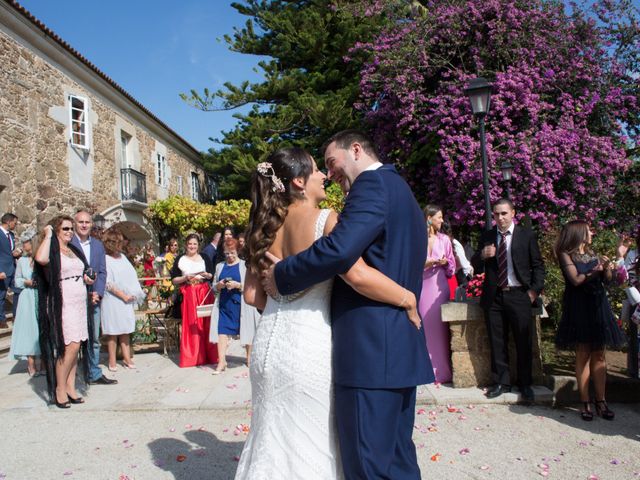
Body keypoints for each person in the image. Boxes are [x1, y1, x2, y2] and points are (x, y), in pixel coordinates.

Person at [244, 137, 430, 480]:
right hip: (323, 344)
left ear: (356, 149)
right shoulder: (392, 192)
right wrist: (407, 297)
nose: (327, 175)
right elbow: (356, 271)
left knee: (277, 439)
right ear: (298, 181)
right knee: (381, 456)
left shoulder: (263, 228)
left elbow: (253, 298)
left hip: (277, 342)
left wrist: (281, 277)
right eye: (320, 168)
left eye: (329, 163)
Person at [471, 199, 545, 403]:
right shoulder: (487, 236)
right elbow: (475, 266)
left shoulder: (526, 235)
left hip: (519, 295)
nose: (500, 218)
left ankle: (525, 384)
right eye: (496, 214)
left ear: (513, 213)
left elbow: (538, 266)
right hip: (494, 296)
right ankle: (502, 383)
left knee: (523, 341)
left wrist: (533, 292)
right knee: (497, 342)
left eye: (504, 213)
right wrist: (483, 255)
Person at [555, 220, 625, 420]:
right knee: (583, 353)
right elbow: (576, 279)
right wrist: (596, 270)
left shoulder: (593, 254)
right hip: (579, 308)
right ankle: (585, 401)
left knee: (600, 355)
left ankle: (601, 400)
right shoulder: (565, 254)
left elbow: (608, 280)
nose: (592, 233)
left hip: (598, 307)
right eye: (589, 230)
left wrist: (608, 267)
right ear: (579, 233)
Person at [35, 215, 95, 408]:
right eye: (65, 229)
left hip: (78, 301)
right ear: (56, 231)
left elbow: (82, 270)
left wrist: (87, 279)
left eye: (71, 229)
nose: (70, 232)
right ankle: (59, 388)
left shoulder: (73, 250)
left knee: (77, 345)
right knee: (70, 345)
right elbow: (40, 259)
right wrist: (48, 234)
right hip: (64, 302)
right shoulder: (52, 250)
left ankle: (70, 387)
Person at [71, 209, 116, 386]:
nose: (84, 225)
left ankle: (93, 372)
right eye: (80, 222)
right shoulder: (68, 243)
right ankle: (71, 373)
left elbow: (102, 272)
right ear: (75, 224)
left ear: (91, 224)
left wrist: (97, 292)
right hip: (73, 297)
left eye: (87, 222)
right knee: (73, 338)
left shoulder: (97, 245)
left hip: (94, 298)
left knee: (94, 338)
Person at [209, 238, 260, 373]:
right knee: (222, 331)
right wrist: (219, 285)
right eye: (227, 253)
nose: (229, 256)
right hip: (224, 305)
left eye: (232, 253)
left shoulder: (244, 266)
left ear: (238, 251)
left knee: (247, 329)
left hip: (241, 304)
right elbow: (214, 287)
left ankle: (249, 358)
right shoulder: (219, 266)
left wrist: (238, 285)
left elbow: (251, 286)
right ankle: (222, 362)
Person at [419, 205, 456, 383]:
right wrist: (426, 264)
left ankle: (442, 371)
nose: (442, 221)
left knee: (440, 329)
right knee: (423, 327)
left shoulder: (445, 240)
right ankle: (423, 370)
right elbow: (411, 264)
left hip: (439, 286)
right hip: (421, 286)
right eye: (439, 217)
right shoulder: (417, 238)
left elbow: (452, 268)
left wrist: (444, 263)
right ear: (429, 218)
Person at [170, 233, 218, 368]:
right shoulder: (180, 258)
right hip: (189, 293)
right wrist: (185, 278)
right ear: (186, 244)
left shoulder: (205, 257)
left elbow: (212, 275)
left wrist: (207, 275)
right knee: (192, 324)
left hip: (204, 292)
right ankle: (193, 357)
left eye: (195, 244)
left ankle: (210, 355)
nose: (192, 246)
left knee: (206, 324)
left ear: (198, 245)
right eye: (190, 243)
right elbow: (174, 279)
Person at [101, 228, 145, 371]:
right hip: (112, 299)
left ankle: (127, 358)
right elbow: (108, 283)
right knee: (112, 331)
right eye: (116, 242)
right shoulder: (105, 259)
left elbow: (130, 276)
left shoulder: (123, 257)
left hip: (126, 299)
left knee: (125, 329)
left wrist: (134, 292)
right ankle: (112, 360)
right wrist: (123, 295)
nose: (119, 244)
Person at [9, 237, 42, 376]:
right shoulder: (22, 261)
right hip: (27, 298)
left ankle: (44, 363)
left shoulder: (41, 260)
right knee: (30, 329)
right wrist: (27, 282)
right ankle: (31, 364)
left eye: (27, 242)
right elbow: (16, 281)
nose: (24, 245)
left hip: (40, 295)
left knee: (41, 328)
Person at [0, 213, 21, 329]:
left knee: (18, 291)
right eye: (15, 222)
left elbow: (9, 252)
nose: (16, 224)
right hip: (2, 270)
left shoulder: (11, 235)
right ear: (8, 222)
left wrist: (16, 254)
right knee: (1, 295)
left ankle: (16, 316)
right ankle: (1, 320)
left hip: (13, 268)